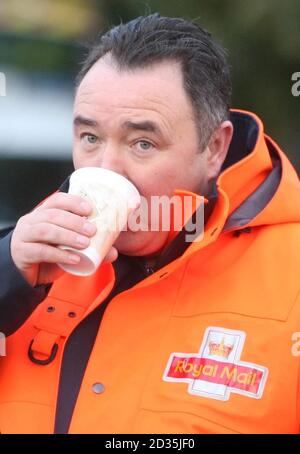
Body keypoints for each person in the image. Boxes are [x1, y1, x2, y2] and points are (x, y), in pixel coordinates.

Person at [0, 13, 299, 434]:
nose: (108, 167)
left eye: (143, 143)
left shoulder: (290, 270)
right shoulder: (28, 261)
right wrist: (7, 274)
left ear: (214, 147)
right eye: (90, 138)